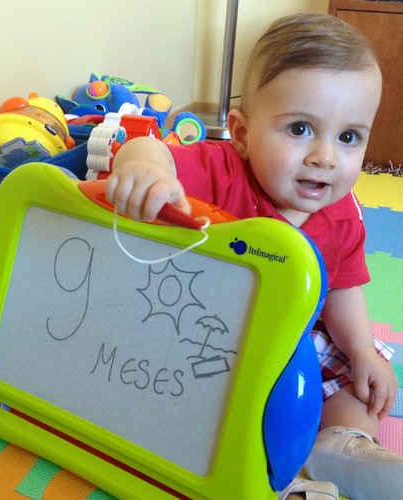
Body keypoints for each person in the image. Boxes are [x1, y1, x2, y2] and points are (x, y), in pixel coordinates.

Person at [104, 12, 402, 499]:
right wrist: (146, 171)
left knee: (363, 377)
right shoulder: (221, 171)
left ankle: (339, 441)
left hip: (294, 338)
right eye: (301, 128)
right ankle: (242, 458)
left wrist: (363, 349)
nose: (325, 157)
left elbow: (344, 288)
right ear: (242, 134)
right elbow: (149, 148)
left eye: (348, 137)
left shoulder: (344, 213)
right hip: (205, 331)